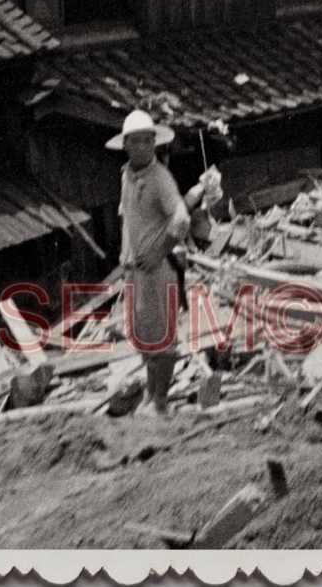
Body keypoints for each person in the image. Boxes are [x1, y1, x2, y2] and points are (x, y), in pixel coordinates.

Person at [108, 109, 190, 418]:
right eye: (136, 141)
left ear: (154, 143)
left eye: (147, 141)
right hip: (135, 270)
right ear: (126, 144)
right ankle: (149, 398)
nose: (142, 147)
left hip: (158, 269)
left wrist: (159, 251)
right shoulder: (127, 176)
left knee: (163, 338)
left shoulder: (159, 178)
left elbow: (181, 219)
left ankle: (160, 402)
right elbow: (127, 219)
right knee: (145, 338)